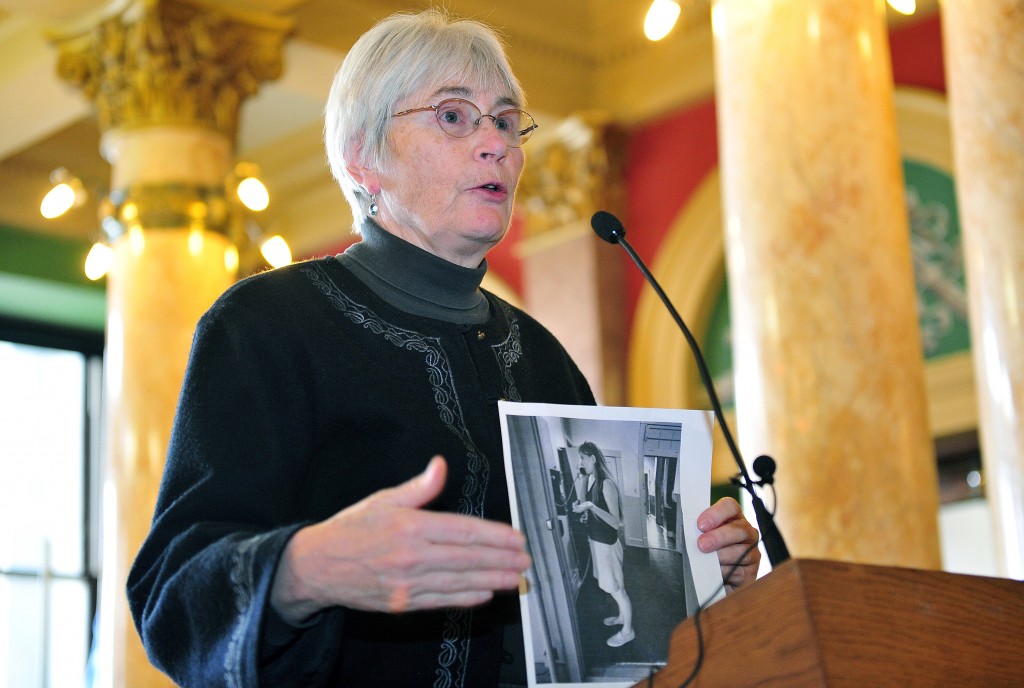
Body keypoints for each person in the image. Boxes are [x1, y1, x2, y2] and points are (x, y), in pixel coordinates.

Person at [127, 9, 761, 688]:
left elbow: (601, 625)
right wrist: (306, 568)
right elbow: (172, 594)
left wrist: (698, 577)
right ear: (362, 159)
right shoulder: (266, 325)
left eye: (507, 120)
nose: (495, 144)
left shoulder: (545, 357)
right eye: (454, 117)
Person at [572, 441, 634, 648]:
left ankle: (628, 631)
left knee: (618, 589)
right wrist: (582, 481)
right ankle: (621, 617)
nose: (580, 461)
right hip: (597, 542)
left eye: (582, 457)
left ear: (593, 459)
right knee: (614, 586)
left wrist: (591, 506)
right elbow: (582, 503)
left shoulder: (606, 483)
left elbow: (615, 522)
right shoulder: (590, 480)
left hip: (608, 544)